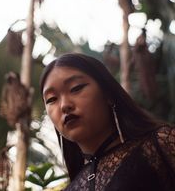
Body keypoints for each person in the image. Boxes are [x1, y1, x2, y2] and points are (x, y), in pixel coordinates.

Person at [40, 53, 175, 191]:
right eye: (51, 99)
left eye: (76, 88)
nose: (64, 105)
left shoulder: (161, 145)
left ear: (108, 94)